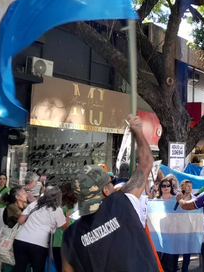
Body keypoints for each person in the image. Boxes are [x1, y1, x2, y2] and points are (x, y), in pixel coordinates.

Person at [61, 115, 161, 272]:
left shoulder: (69, 237)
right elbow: (147, 163)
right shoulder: (122, 202)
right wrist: (138, 132)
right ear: (105, 190)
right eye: (110, 182)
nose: (114, 185)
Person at [13, 186, 69, 272]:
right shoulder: (57, 210)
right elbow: (64, 227)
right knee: (38, 269)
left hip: (20, 240)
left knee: (19, 268)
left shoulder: (34, 204)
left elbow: (20, 221)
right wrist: (68, 216)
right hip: (39, 244)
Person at [52, 183, 77, 272]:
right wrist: (68, 217)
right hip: (66, 243)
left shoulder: (61, 207)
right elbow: (64, 226)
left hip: (60, 243)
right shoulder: (68, 208)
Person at [178, 180, 193, 272]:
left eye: (191, 186)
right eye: (187, 186)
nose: (190, 188)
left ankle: (185, 269)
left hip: (190, 228)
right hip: (178, 227)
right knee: (177, 248)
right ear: (182, 187)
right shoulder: (177, 198)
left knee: (187, 250)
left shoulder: (194, 198)